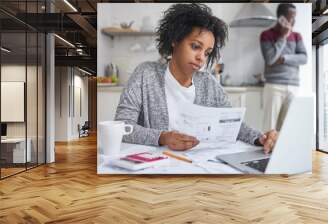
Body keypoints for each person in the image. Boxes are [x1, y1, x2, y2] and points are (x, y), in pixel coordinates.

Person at [115, 3, 277, 153]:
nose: (201, 58)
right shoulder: (146, 74)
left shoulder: (209, 83)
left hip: (200, 166)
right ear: (175, 40)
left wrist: (260, 138)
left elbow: (233, 125)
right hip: (156, 168)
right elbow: (122, 126)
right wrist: (162, 137)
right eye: (195, 46)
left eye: (207, 52)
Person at [259, 3, 307, 131]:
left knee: (288, 128)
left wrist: (284, 58)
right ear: (281, 18)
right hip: (274, 85)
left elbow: (304, 58)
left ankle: (283, 151)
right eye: (292, 17)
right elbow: (270, 59)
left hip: (293, 86)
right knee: (270, 128)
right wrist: (282, 38)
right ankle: (269, 151)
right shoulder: (266, 35)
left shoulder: (297, 36)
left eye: (295, 17)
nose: (294, 21)